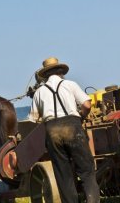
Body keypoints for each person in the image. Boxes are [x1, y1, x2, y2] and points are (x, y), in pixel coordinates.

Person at [28, 57, 100, 203]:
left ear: (45, 75)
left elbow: (33, 119)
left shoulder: (39, 92)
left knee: (63, 174)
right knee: (86, 170)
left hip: (52, 131)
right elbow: (86, 104)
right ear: (60, 71)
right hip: (72, 127)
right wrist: (81, 117)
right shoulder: (70, 84)